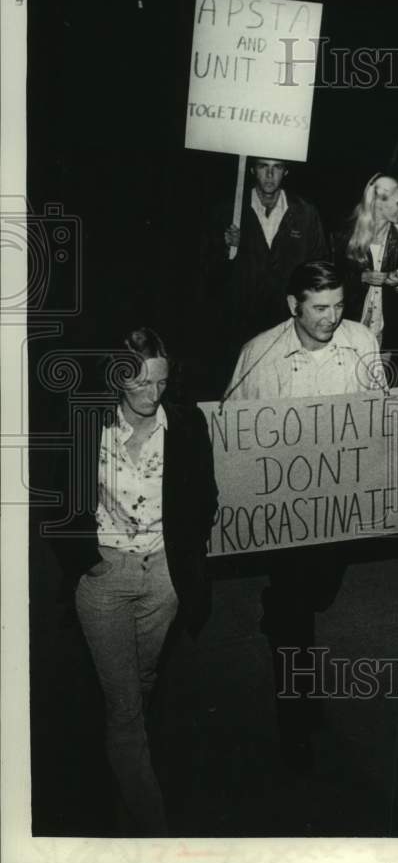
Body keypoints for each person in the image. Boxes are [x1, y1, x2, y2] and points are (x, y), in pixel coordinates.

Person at [224, 261, 386, 770]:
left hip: (338, 504)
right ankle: (295, 723)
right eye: (319, 308)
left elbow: (378, 411)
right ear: (293, 305)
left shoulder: (361, 341)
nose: (332, 318)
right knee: (297, 617)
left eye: (339, 306)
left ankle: (281, 606)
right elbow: (230, 435)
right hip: (284, 511)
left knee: (320, 591)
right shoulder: (259, 355)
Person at [71, 327, 217, 834]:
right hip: (106, 575)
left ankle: (121, 774)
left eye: (160, 382)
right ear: (117, 381)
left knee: (143, 678)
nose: (152, 395)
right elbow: (54, 492)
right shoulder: (89, 423)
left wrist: (186, 557)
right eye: (140, 385)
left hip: (164, 577)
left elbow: (206, 497)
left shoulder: (185, 423)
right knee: (125, 703)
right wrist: (82, 560)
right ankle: (151, 823)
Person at [223, 156, 329, 357]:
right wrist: (227, 248)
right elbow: (208, 272)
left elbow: (318, 266)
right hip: (241, 320)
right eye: (263, 166)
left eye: (277, 167)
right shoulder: (230, 211)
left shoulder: (305, 213)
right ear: (253, 170)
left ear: (286, 171)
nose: (270, 175)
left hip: (287, 319)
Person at [335, 171, 398, 379]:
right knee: (347, 378)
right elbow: (332, 277)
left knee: (378, 383)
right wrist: (360, 278)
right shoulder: (347, 232)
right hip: (350, 322)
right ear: (379, 202)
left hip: (384, 326)